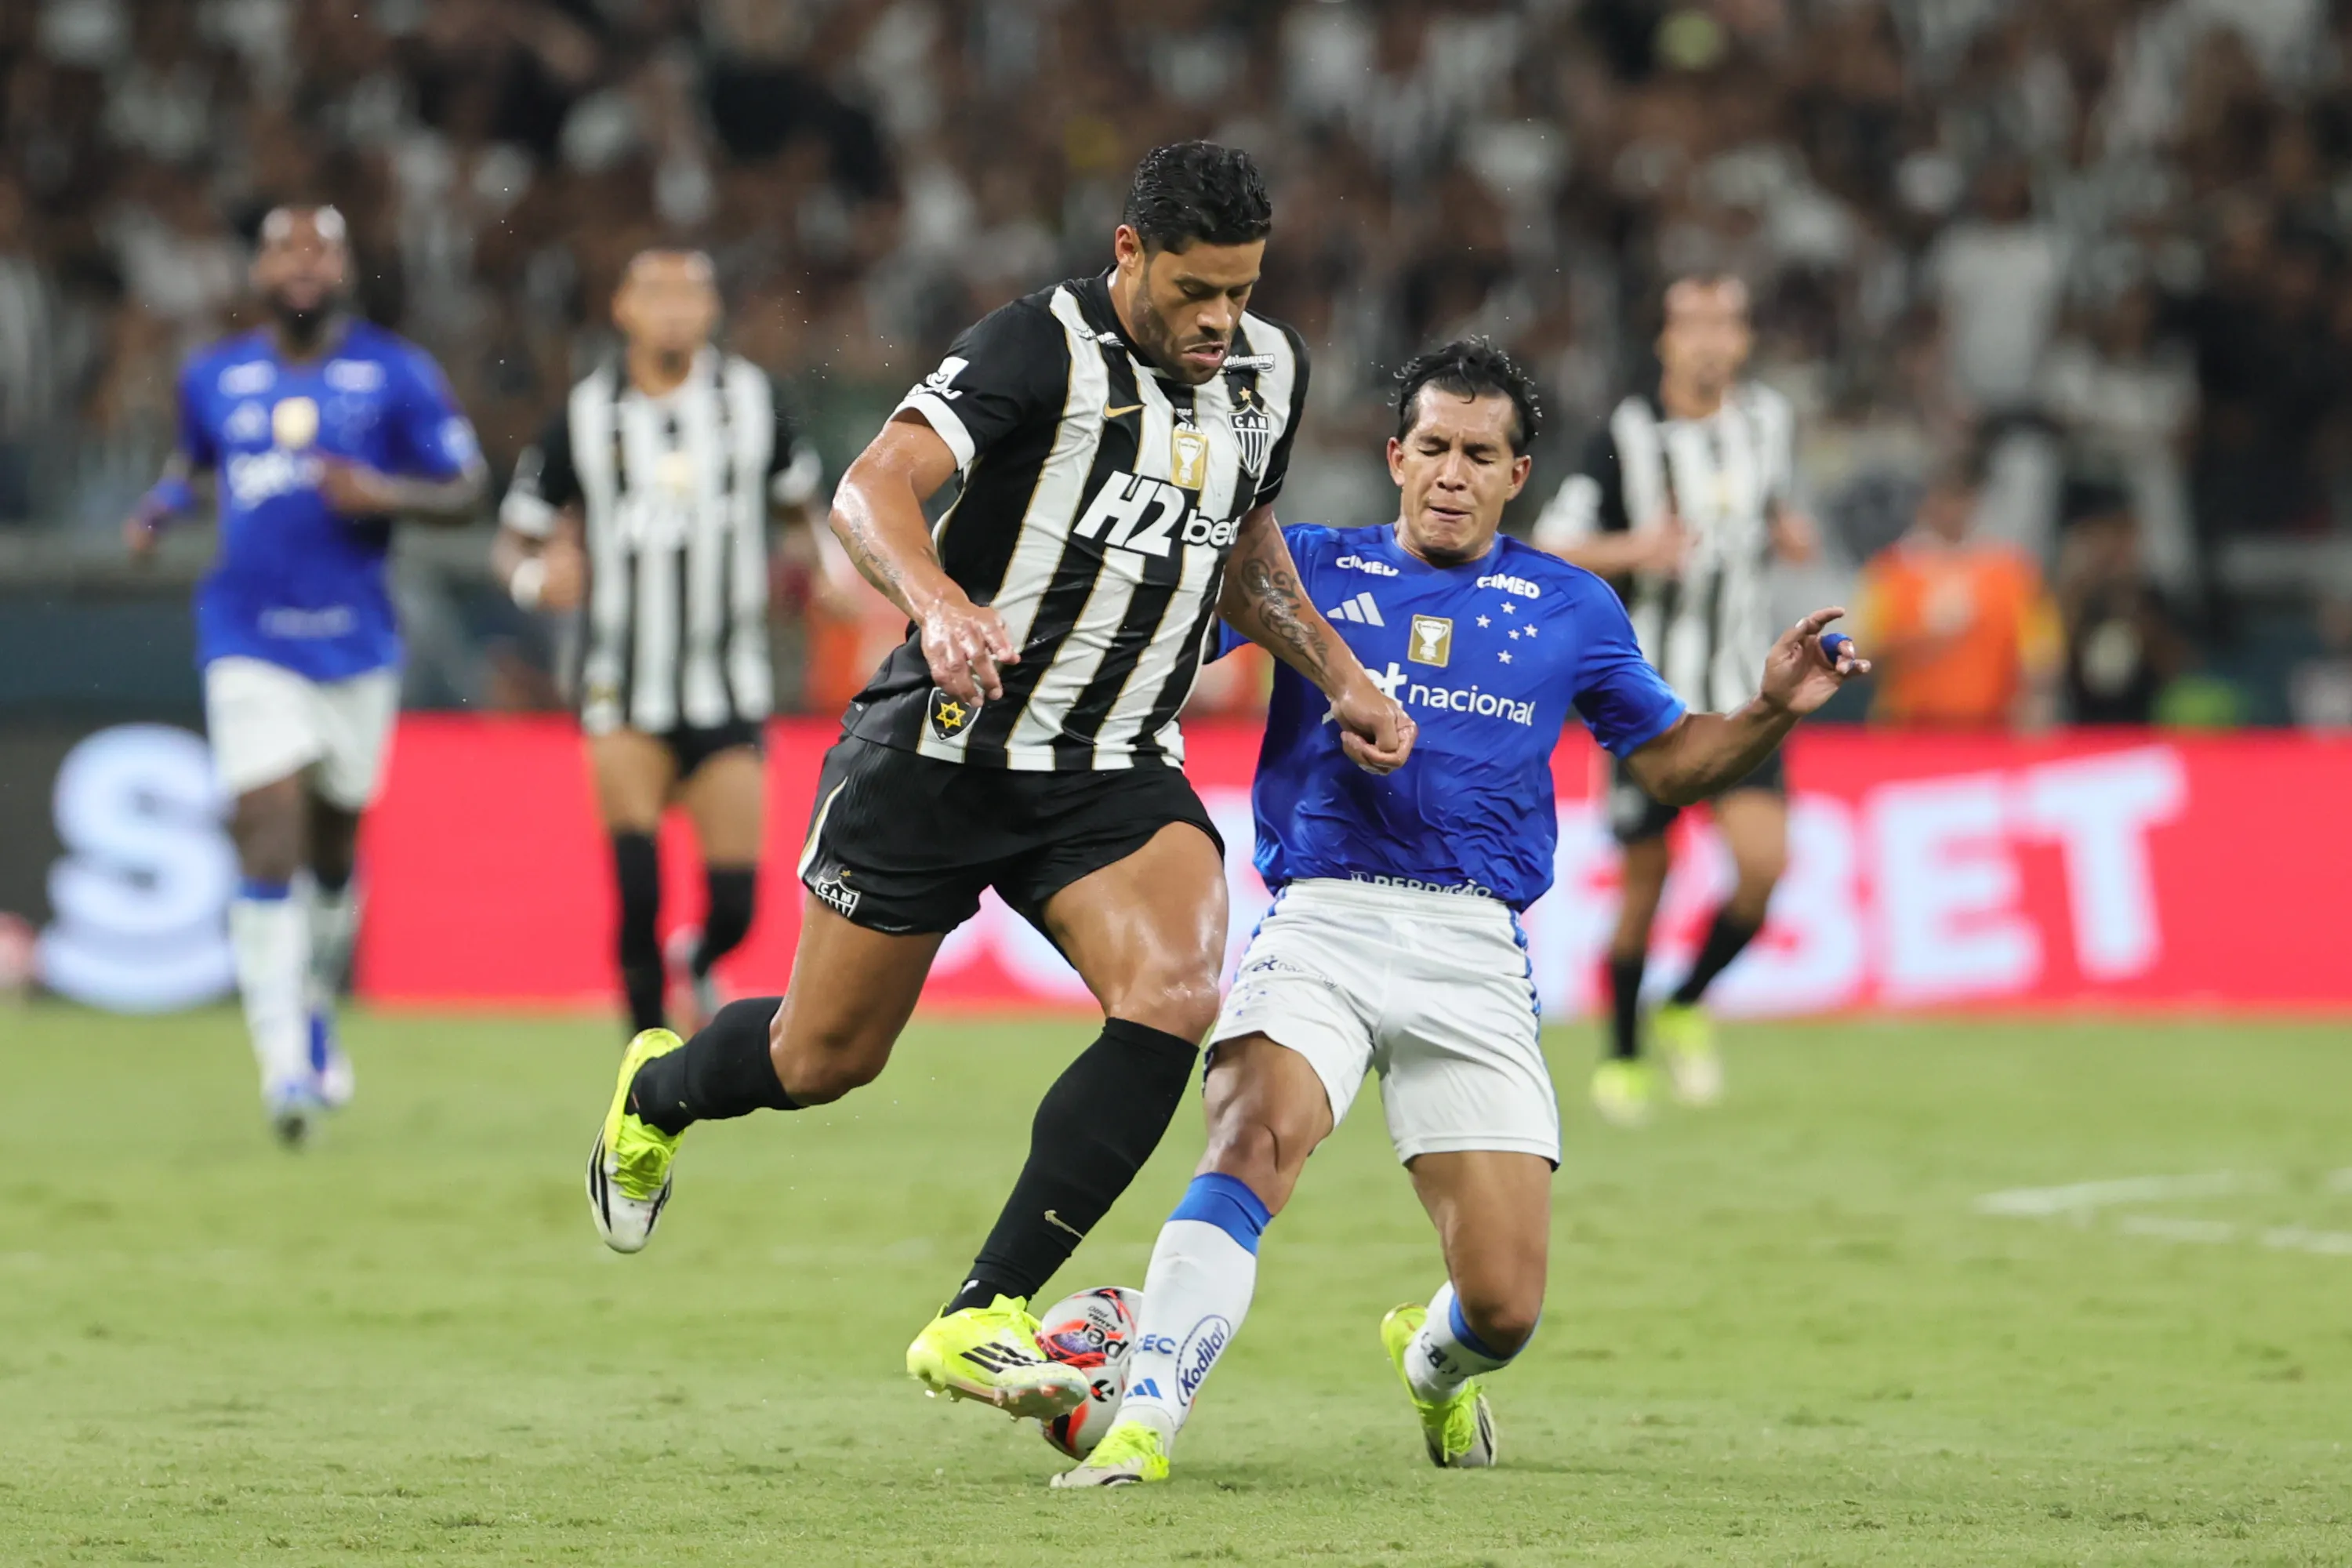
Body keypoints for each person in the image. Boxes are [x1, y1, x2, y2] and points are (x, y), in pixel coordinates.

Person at [580, 142, 1413, 1419]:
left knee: (1178, 989)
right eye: (1195, 290)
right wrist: (940, 600)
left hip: (1113, 761)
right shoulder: (1040, 345)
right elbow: (874, 487)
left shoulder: (1269, 373)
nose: (1218, 321)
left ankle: (985, 1311)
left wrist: (1341, 671)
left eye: (1241, 292)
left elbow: (1245, 553)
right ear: (1128, 253)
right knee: (821, 1057)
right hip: (943, 750)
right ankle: (657, 1092)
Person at [1053, 340, 1868, 1487]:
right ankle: (1145, 1423)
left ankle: (1430, 1368)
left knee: (1502, 1304)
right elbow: (1166, 643)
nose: (1450, 472)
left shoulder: (1570, 605)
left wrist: (1773, 709)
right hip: (1324, 922)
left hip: (1476, 949)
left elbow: (1675, 767)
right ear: (1394, 455)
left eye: (1478, 454)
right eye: (1431, 446)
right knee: (1248, 1143)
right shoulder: (1311, 571)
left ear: (1516, 475)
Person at [124, 206, 485, 1143]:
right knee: (267, 827)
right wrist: (161, 505)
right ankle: (284, 1062)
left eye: (321, 248)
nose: (302, 265)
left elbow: (466, 486)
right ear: (257, 269)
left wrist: (387, 493)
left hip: (355, 644)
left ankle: (315, 997)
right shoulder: (212, 375)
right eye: (285, 249)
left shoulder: (397, 373)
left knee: (332, 850)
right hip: (246, 636)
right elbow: (190, 462)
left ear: (347, 266)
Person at [492, 249, 823, 1039]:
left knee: (737, 904)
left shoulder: (751, 402)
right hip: (621, 685)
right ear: (622, 309)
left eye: (691, 294)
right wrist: (538, 580)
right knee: (637, 889)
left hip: (728, 680)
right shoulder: (584, 414)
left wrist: (824, 570)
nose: (674, 308)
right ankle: (643, 1066)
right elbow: (514, 539)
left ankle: (700, 959)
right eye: (657, 294)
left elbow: (801, 511)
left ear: (711, 312)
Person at [1531, 274, 1818, 1127]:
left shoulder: (1768, 423)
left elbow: (1756, 506)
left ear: (1742, 339)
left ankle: (1687, 1000)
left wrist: (1779, 525)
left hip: (1745, 694)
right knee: (1645, 884)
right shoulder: (1623, 436)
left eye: (1724, 323)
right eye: (1690, 323)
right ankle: (1622, 1055)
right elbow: (1553, 545)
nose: (1707, 340)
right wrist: (1636, 548)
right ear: (1664, 340)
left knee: (1764, 870)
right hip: (1644, 701)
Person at [1853, 449, 2062, 730]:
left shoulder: (2010, 572)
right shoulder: (1891, 572)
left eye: (1962, 498)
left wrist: (2035, 705)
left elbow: (2041, 657)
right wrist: (1918, 641)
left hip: (1991, 730)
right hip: (1907, 729)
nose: (1953, 510)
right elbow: (1862, 656)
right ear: (1926, 503)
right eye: (1944, 498)